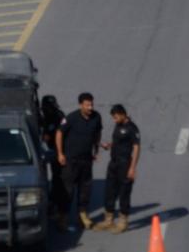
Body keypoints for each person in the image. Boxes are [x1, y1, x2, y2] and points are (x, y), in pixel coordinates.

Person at [55, 92, 103, 230]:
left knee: (85, 189)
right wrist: (60, 153)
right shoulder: (71, 118)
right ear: (80, 105)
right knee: (68, 190)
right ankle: (63, 217)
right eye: (87, 105)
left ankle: (82, 216)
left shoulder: (96, 117)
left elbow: (97, 133)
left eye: (91, 104)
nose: (90, 107)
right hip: (71, 161)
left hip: (86, 159)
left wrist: (96, 150)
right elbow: (59, 133)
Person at [100, 104, 142, 232]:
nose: (114, 119)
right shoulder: (118, 125)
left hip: (125, 164)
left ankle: (123, 221)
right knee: (109, 191)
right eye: (113, 117)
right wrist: (109, 145)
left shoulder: (132, 128)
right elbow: (119, 142)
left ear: (123, 114)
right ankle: (109, 219)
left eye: (116, 117)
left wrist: (132, 168)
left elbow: (136, 148)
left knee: (124, 192)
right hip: (113, 163)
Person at [39, 94, 67, 229]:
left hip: (58, 151)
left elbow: (61, 134)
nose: (45, 110)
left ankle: (56, 205)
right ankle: (52, 202)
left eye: (47, 107)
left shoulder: (58, 117)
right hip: (47, 151)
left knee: (58, 178)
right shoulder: (44, 117)